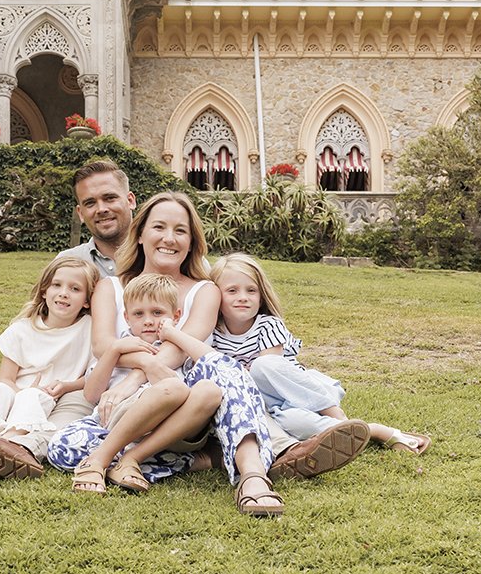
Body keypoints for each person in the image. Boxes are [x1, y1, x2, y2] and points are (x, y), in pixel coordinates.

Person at [49, 192, 365, 516]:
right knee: (63, 450)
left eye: (180, 230)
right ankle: (200, 458)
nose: (169, 238)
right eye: (159, 227)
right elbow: (103, 346)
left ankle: (252, 476)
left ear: (191, 241)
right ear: (140, 233)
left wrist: (135, 374)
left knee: (219, 368)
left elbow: (179, 349)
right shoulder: (110, 287)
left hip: (186, 403)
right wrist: (138, 367)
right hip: (120, 407)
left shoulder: (205, 289)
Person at [209, 252, 431, 454]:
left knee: (262, 365)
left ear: (261, 295)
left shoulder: (268, 325)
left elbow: (270, 370)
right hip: (271, 407)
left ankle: (333, 412)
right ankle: (371, 431)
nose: (243, 297)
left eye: (251, 290)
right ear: (215, 298)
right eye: (232, 291)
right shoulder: (213, 333)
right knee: (299, 425)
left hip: (297, 392)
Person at [51, 274, 223, 495]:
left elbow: (197, 381)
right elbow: (91, 394)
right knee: (61, 445)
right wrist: (114, 351)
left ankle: (112, 460)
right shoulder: (121, 348)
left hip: (162, 429)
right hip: (115, 421)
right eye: (139, 314)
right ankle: (133, 461)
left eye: (158, 313)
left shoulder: (179, 350)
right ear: (127, 317)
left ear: (176, 316)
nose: (149, 321)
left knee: (199, 389)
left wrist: (165, 347)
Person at [0, 257, 100, 479]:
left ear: (87, 301)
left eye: (75, 289)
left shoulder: (89, 328)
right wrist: (15, 393)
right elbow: (6, 378)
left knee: (31, 395)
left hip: (48, 395)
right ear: (44, 291)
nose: (63, 293)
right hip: (17, 391)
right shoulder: (23, 329)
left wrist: (67, 386)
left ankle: (6, 445)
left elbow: (92, 374)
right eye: (57, 285)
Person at [57, 159, 135, 278]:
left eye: (109, 198)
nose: (101, 209)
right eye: (90, 203)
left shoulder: (162, 257)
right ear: (81, 213)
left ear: (130, 201)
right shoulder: (65, 265)